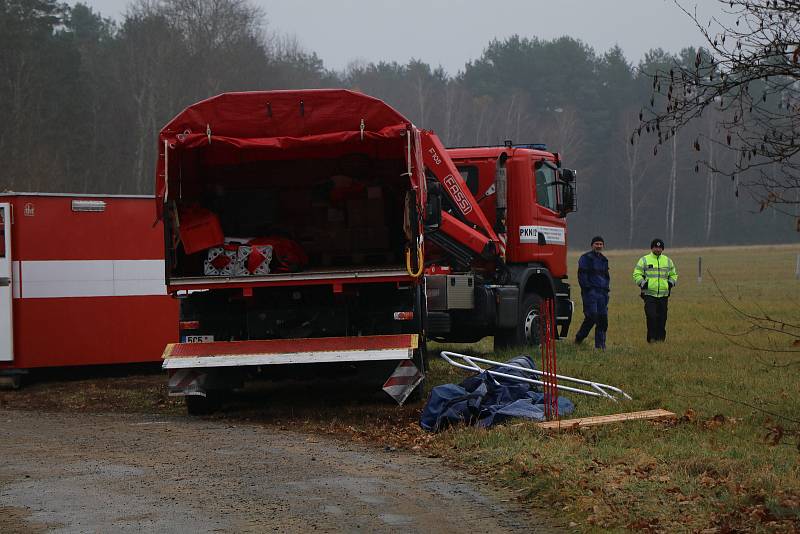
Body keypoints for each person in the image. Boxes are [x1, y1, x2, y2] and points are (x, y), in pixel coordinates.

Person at [632, 238, 678, 342]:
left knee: (662, 319)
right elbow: (637, 273)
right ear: (652, 248)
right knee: (651, 317)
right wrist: (644, 284)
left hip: (663, 295)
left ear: (662, 249)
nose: (658, 249)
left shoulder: (668, 261)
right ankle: (651, 339)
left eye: (660, 247)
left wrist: (670, 283)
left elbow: (673, 274)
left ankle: (661, 340)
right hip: (649, 295)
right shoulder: (644, 260)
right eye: (656, 247)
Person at [574, 236, 610, 349]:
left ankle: (600, 346)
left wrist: (606, 290)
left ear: (603, 246)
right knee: (591, 317)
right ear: (592, 245)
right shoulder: (585, 258)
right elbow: (582, 275)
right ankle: (579, 339)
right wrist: (588, 289)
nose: (599, 246)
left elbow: (606, 277)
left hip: (602, 294)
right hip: (591, 293)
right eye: (596, 244)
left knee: (603, 320)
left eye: (600, 244)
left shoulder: (604, 260)